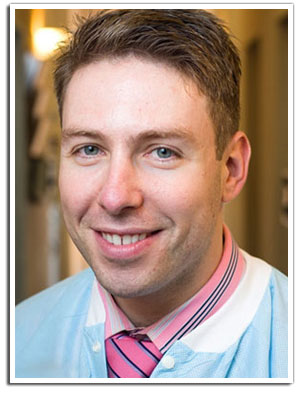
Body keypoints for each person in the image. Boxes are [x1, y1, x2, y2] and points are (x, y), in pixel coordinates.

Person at [15, 9, 288, 379]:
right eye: (90, 149)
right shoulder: (17, 341)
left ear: (231, 169)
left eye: (162, 152)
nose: (115, 197)